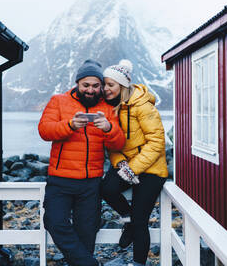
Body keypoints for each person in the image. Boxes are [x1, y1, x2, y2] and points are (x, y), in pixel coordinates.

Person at [38, 59, 125, 266]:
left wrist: (108, 129)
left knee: (87, 231)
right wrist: (69, 125)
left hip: (91, 183)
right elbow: (44, 130)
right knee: (54, 221)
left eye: (96, 86)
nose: (91, 90)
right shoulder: (58, 101)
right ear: (77, 83)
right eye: (86, 85)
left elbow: (119, 143)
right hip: (60, 179)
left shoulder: (107, 107)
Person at [100, 59, 168, 266]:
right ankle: (126, 219)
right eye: (105, 84)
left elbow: (157, 142)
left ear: (122, 85)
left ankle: (138, 262)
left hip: (151, 169)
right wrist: (121, 163)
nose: (105, 89)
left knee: (141, 220)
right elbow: (112, 145)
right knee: (106, 189)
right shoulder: (113, 108)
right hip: (127, 165)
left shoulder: (143, 106)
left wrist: (133, 168)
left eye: (110, 85)